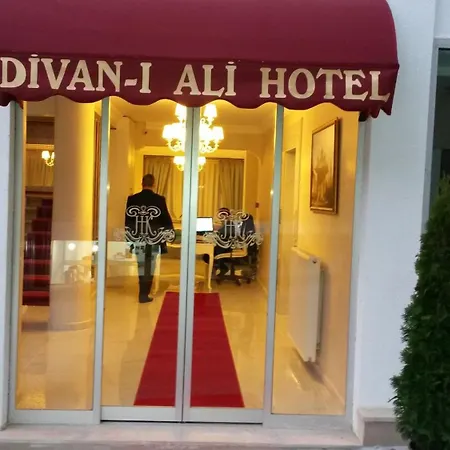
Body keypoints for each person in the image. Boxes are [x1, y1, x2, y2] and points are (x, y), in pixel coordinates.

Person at [125, 174, 173, 303]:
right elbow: (165, 219)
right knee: (150, 265)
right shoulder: (159, 200)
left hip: (138, 237)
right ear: (154, 184)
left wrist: (129, 238)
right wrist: (169, 234)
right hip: (154, 237)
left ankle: (142, 293)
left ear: (142, 183)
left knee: (141, 264)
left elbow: (128, 220)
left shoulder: (132, 199)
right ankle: (145, 293)